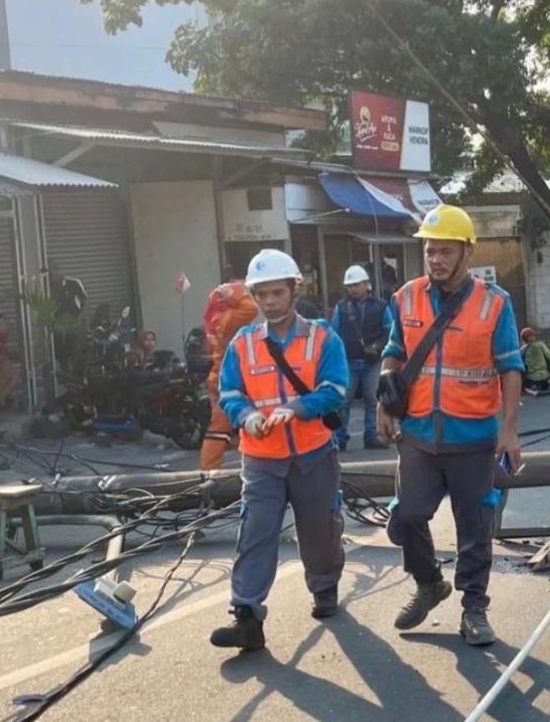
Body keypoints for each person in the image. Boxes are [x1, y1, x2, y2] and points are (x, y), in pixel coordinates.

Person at [378, 204, 524, 646]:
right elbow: (394, 353)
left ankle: (474, 609)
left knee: (474, 529)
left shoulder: (495, 304)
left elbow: (511, 368)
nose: (436, 259)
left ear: (466, 252)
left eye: (445, 251)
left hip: (474, 436)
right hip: (419, 433)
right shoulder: (405, 297)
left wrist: (509, 430)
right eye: (429, 251)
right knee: (405, 517)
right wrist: (384, 403)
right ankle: (429, 583)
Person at [210, 249, 348, 651]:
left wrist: (296, 409)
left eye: (277, 292)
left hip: (314, 455)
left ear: (293, 290)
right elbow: (230, 393)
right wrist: (246, 415)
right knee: (255, 531)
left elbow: (335, 390)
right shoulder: (244, 343)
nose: (270, 302)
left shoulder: (323, 337)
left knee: (319, 529)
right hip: (262, 460)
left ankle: (324, 588)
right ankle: (247, 615)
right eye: (262, 294)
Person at [199, 282, 258, 470]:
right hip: (231, 381)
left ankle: (210, 469)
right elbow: (251, 309)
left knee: (225, 427)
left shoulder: (215, 318)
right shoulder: (227, 319)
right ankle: (210, 470)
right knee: (223, 427)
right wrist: (235, 296)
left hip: (222, 378)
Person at [330, 265, 390, 451]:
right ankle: (340, 437)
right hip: (349, 361)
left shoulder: (381, 306)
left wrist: (379, 347)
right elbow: (334, 335)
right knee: (343, 402)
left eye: (356, 285)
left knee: (372, 400)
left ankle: (371, 435)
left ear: (367, 285)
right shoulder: (341, 307)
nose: (353, 289)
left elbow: (390, 330)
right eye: (350, 286)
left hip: (372, 362)